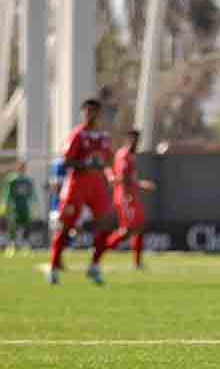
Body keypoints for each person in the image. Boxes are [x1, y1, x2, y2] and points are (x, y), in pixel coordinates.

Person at [48, 98, 116, 285]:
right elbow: (66, 160)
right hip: (77, 184)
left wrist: (109, 172)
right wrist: (84, 164)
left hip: (96, 185)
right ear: (83, 113)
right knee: (66, 227)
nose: (90, 115)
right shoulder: (78, 135)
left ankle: (94, 266)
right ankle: (53, 268)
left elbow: (109, 159)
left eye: (93, 111)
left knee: (106, 223)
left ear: (98, 113)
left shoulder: (103, 137)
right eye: (87, 111)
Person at [104, 130, 156, 269]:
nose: (136, 143)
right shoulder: (124, 155)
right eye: (133, 139)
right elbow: (122, 178)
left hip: (130, 196)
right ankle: (101, 249)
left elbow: (126, 177)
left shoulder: (130, 155)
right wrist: (139, 186)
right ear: (128, 140)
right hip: (125, 197)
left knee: (138, 227)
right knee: (127, 230)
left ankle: (137, 263)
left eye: (137, 140)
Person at [2, 161, 36, 257]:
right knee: (13, 226)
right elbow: (7, 194)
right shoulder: (12, 180)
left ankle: (26, 246)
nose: (22, 168)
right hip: (15, 207)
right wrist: (6, 205)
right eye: (20, 167)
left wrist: (33, 206)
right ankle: (11, 246)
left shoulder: (28, 180)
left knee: (26, 226)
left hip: (25, 207)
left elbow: (31, 195)